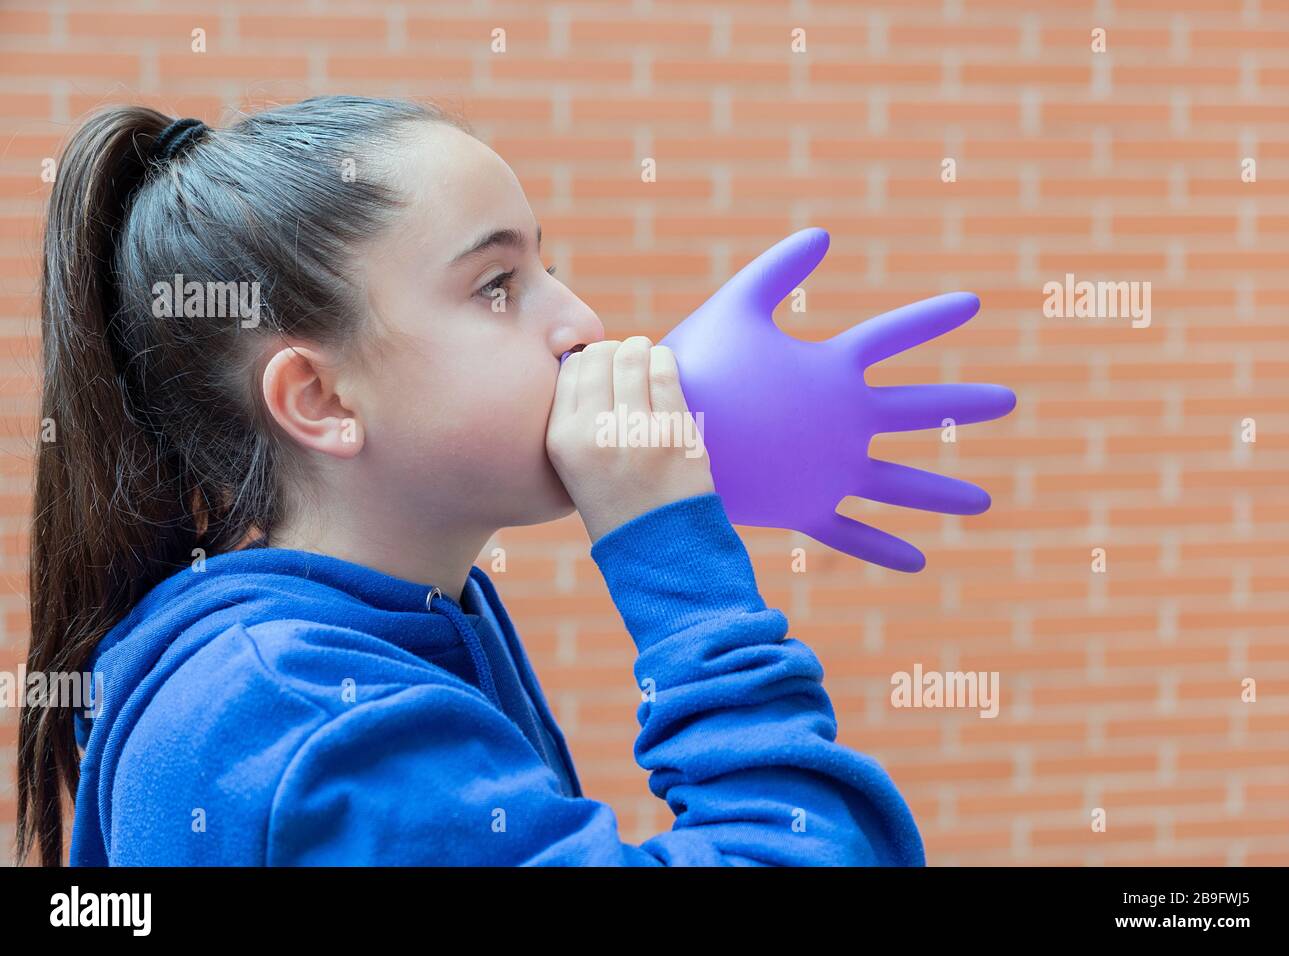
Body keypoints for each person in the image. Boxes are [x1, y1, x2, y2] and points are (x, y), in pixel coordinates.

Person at [17, 95, 925, 866]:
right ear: (321, 397)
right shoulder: (298, 720)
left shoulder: (412, 623)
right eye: (497, 284)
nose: (581, 321)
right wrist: (677, 562)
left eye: (550, 268)